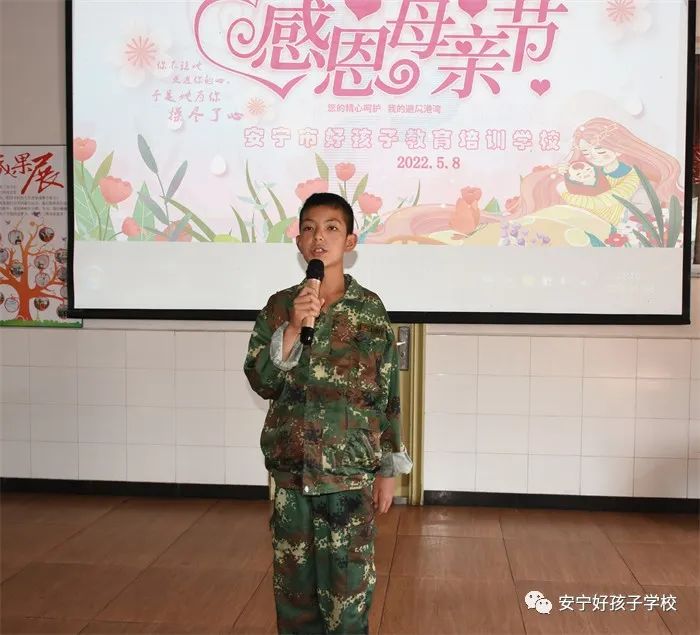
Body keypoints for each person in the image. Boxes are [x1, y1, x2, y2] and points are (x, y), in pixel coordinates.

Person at [244, 192, 412, 634]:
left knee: (347, 604)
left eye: (332, 228)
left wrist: (388, 469)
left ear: (350, 241)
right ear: (299, 242)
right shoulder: (280, 307)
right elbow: (261, 380)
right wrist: (292, 328)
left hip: (349, 479)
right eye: (309, 228)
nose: (319, 237)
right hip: (292, 476)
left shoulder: (370, 311)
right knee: (295, 603)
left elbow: (387, 395)